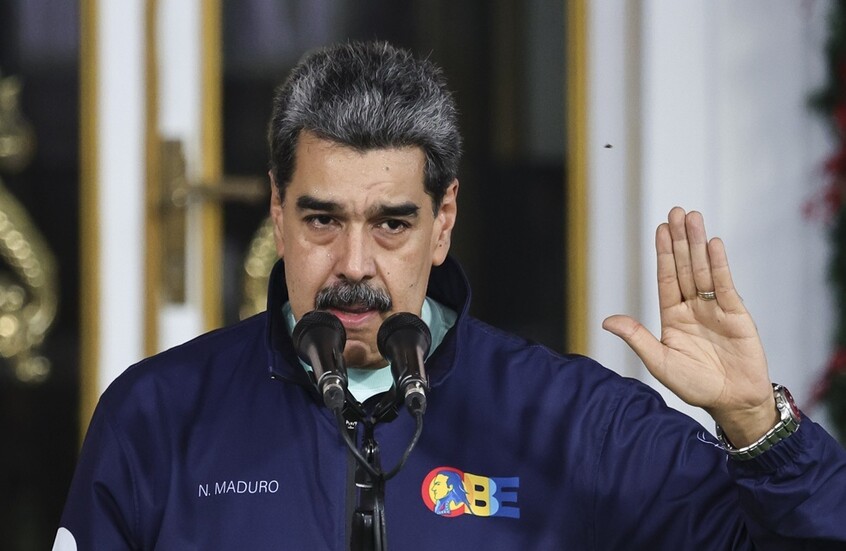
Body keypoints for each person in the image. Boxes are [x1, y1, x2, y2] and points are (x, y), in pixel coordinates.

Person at [54, 41, 846, 550]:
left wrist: (758, 427)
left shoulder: (572, 421)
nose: (354, 264)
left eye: (392, 223)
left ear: (444, 223)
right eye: (323, 219)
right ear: (277, 211)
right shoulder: (157, 415)